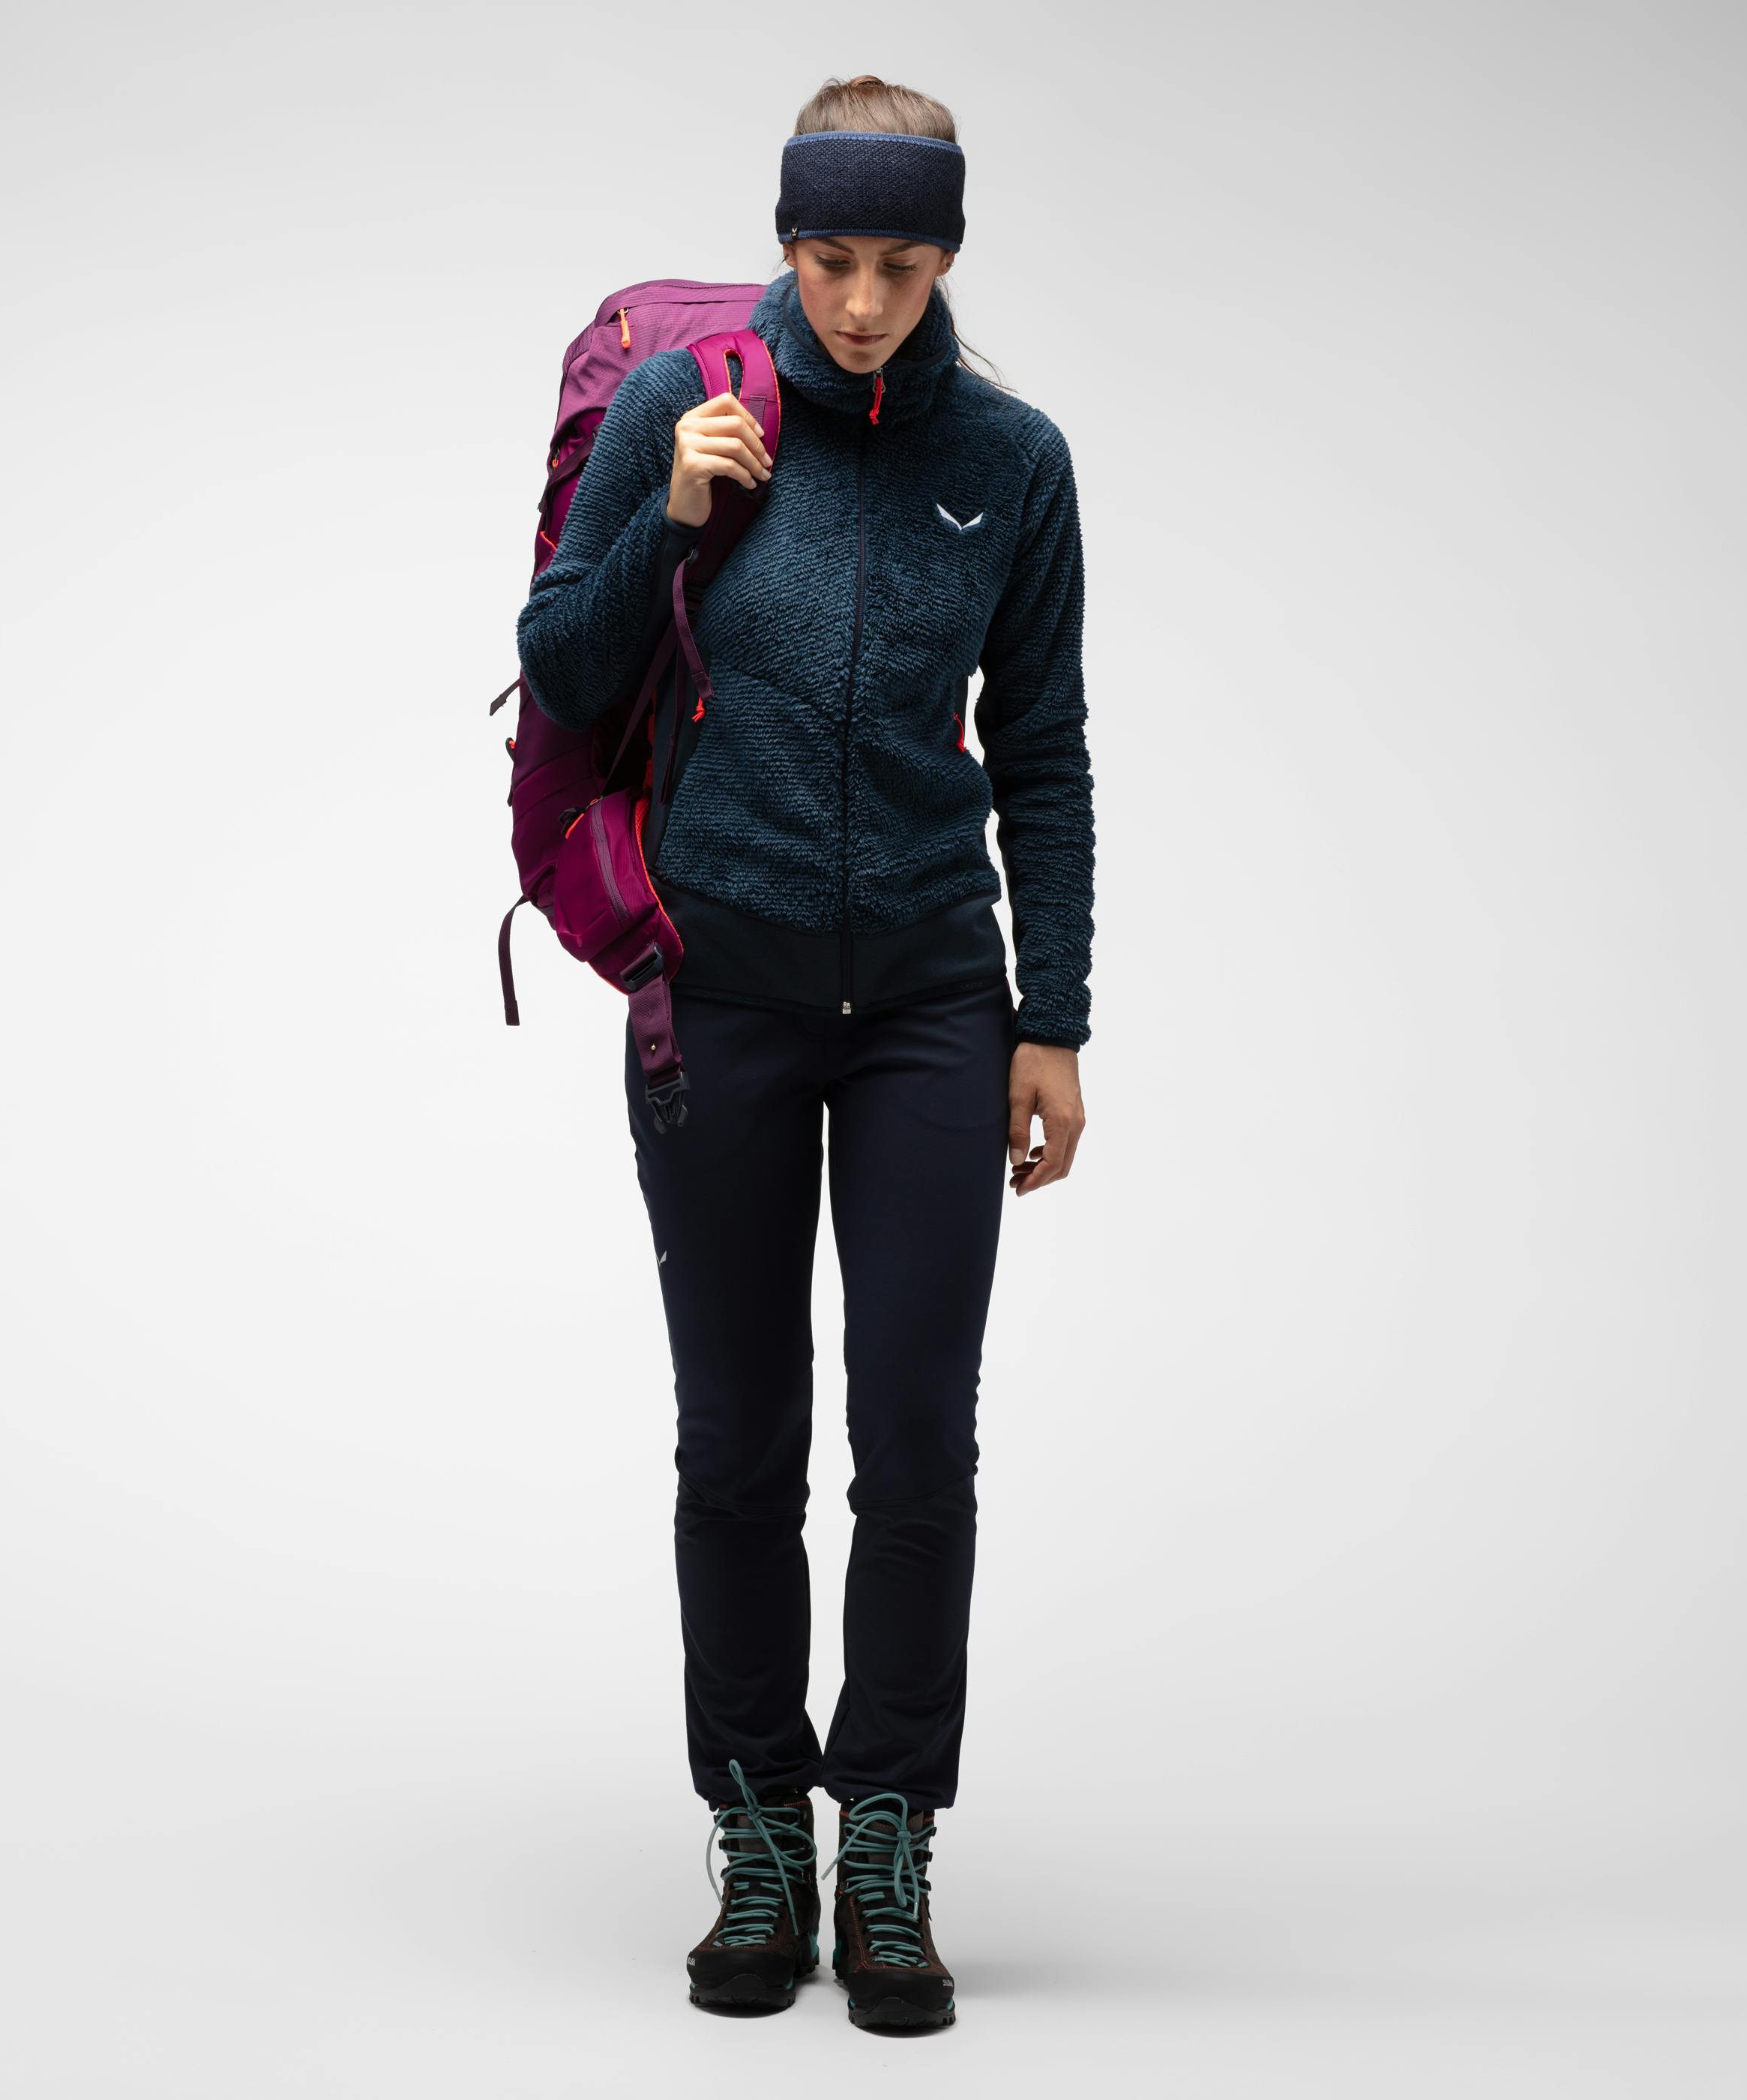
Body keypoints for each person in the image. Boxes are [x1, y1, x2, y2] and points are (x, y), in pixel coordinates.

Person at [514, 74, 1095, 2033]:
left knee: (918, 1437)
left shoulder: (1013, 463)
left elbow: (1044, 752)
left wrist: (1051, 1015)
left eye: (901, 265)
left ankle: (891, 1833)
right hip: (724, 992)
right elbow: (565, 665)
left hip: (932, 997)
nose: (860, 303)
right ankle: (761, 1827)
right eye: (831, 257)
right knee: (741, 1436)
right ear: (783, 243)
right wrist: (672, 515)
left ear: (948, 261)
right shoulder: (696, 411)